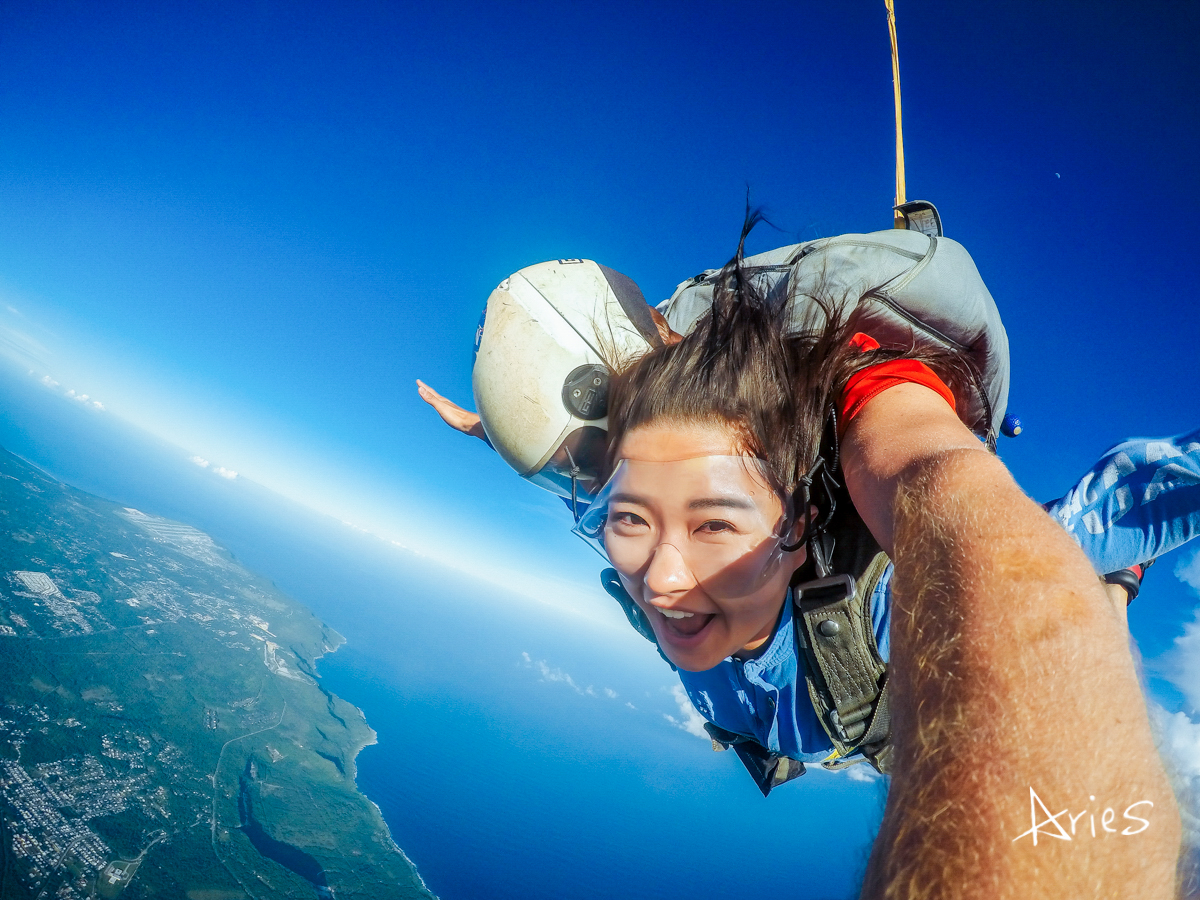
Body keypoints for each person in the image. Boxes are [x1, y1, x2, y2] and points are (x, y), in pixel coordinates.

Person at [420, 223, 1187, 897]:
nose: (657, 579)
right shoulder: (613, 488)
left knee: (1083, 543)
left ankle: (1111, 587)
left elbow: (977, 530)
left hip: (851, 672)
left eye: (713, 521)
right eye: (587, 486)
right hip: (796, 716)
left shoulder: (867, 531)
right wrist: (496, 430)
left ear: (797, 511)